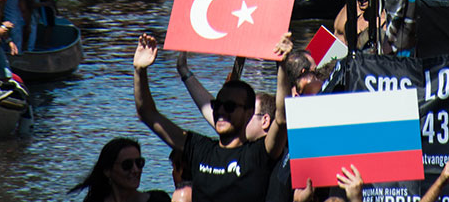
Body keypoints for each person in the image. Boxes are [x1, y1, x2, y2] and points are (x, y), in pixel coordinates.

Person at [132, 34, 287, 202]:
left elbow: (282, 118)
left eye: (229, 106)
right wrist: (140, 70)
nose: (221, 111)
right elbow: (147, 113)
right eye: (217, 105)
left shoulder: (259, 154)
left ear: (249, 113)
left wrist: (282, 65)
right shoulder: (199, 149)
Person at [71, 138, 173, 202]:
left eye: (139, 163)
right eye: (127, 165)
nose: (135, 170)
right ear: (107, 171)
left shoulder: (158, 199)